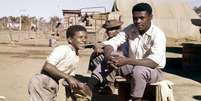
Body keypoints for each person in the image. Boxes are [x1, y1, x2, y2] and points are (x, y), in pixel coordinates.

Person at [103, 3, 166, 101]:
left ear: (150, 17)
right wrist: (109, 56)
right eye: (135, 18)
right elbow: (112, 42)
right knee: (112, 60)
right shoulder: (130, 29)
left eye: (142, 18)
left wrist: (127, 61)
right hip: (132, 67)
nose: (138, 21)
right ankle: (101, 84)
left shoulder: (158, 34)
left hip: (154, 71)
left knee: (139, 71)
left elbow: (154, 62)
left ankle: (136, 98)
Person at [28, 25, 92, 101]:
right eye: (80, 37)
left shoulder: (76, 56)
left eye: (85, 37)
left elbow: (68, 79)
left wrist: (70, 95)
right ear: (70, 39)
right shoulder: (63, 49)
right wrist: (68, 77)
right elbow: (47, 66)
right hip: (43, 82)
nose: (84, 40)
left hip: (53, 83)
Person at [88, 19, 127, 95]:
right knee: (95, 55)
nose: (109, 31)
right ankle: (97, 80)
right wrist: (97, 48)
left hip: (122, 64)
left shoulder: (122, 39)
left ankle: (109, 84)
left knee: (110, 58)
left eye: (112, 29)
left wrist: (103, 52)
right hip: (110, 64)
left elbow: (121, 53)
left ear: (118, 29)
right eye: (108, 29)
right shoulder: (109, 39)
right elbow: (99, 46)